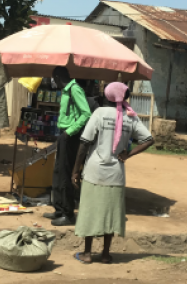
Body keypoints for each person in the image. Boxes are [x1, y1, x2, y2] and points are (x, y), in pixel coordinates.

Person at [72, 82, 154, 264]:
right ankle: (105, 254)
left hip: (94, 172)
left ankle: (87, 253)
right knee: (110, 214)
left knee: (90, 212)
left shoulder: (99, 113)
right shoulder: (130, 116)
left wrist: (75, 170)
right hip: (116, 174)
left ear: (108, 95)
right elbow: (149, 139)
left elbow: (85, 142)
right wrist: (128, 154)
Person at [43, 67, 92, 226]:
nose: (53, 82)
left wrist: (70, 132)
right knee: (58, 172)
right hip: (64, 134)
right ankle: (59, 209)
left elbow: (86, 113)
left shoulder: (74, 89)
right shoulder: (66, 91)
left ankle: (68, 213)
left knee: (66, 173)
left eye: (53, 78)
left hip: (70, 136)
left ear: (57, 77)